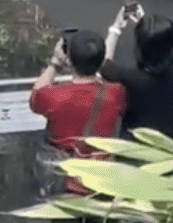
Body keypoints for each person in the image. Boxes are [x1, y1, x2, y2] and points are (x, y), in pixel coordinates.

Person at [30, 30, 127, 196]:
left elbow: (35, 96)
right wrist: (115, 29)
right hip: (102, 180)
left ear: (69, 60)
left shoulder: (55, 96)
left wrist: (55, 64)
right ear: (101, 61)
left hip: (66, 181)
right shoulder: (116, 93)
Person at [102, 6, 173, 140]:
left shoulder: (130, 78)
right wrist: (146, 24)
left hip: (135, 145)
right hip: (168, 142)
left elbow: (104, 62)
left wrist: (116, 27)